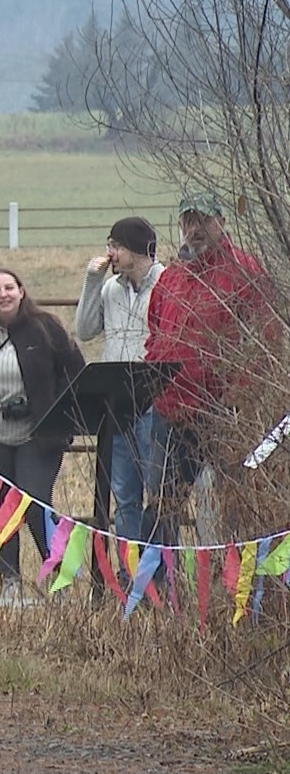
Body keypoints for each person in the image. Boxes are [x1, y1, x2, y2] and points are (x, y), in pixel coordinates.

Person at [146, 191, 273, 546]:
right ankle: (159, 591)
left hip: (224, 414)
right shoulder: (171, 277)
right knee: (161, 508)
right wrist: (156, 385)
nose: (194, 228)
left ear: (221, 222)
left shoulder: (245, 273)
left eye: (202, 219)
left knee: (233, 505)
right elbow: (155, 332)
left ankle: (231, 588)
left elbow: (264, 341)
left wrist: (238, 398)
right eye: (188, 220)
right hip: (171, 413)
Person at [0, 269, 86, 593]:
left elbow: (74, 372)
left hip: (40, 437)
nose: (3, 294)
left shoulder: (46, 328)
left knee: (34, 502)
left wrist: (58, 415)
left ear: (22, 291)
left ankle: (60, 577)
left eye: (9, 287)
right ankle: (10, 581)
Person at [74, 215, 164, 541]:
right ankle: (129, 576)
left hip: (153, 401)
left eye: (115, 246)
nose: (109, 253)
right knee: (125, 498)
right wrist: (92, 280)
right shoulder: (111, 288)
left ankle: (159, 574)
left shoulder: (167, 284)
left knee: (158, 494)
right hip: (116, 401)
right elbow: (84, 330)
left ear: (136, 249)